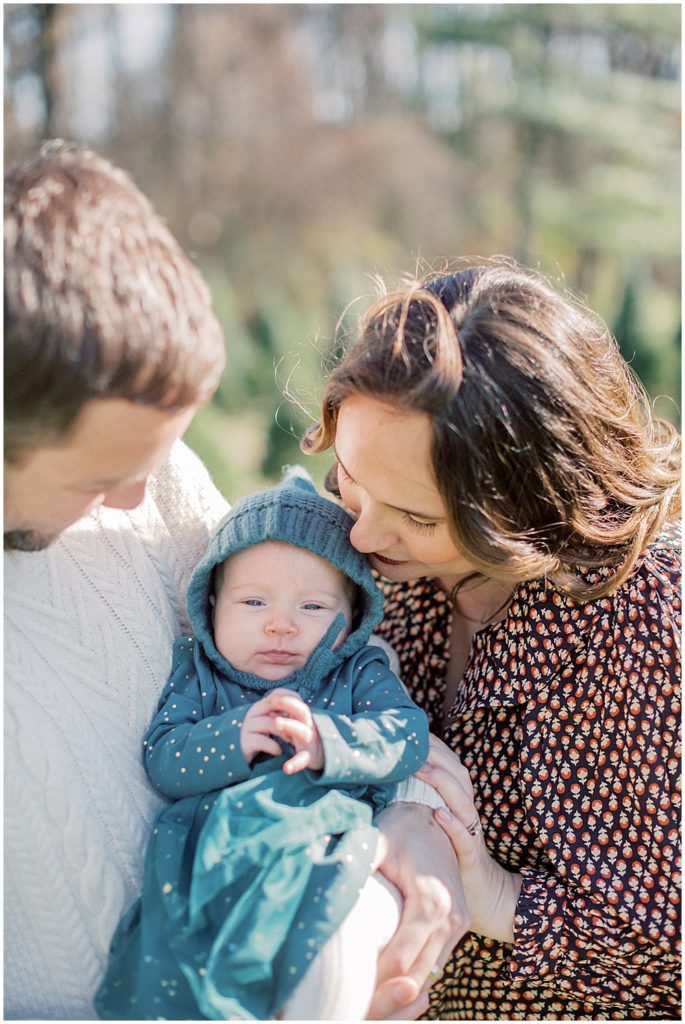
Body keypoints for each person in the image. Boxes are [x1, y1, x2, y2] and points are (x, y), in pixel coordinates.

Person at [302, 260, 682, 1020]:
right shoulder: (338, 556)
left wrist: (498, 898)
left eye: (418, 519)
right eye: (349, 475)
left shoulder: (646, 627)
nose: (364, 531)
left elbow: (665, 958)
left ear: (525, 510)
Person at [4, 139, 229, 1019]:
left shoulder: (153, 480)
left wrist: (415, 841)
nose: (138, 497)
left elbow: (304, 665)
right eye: (98, 480)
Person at [94, 467, 430, 1020]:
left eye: (313, 607)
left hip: (318, 845)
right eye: (253, 603)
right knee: (172, 969)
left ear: (353, 619)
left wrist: (330, 741)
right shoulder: (200, 672)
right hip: (212, 856)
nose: (280, 625)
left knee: (325, 960)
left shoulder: (354, 674)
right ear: (210, 609)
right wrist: (233, 737)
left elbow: (406, 735)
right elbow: (164, 757)